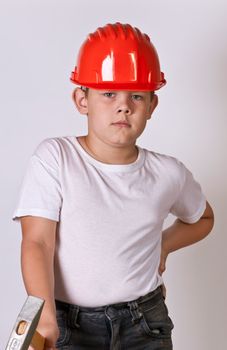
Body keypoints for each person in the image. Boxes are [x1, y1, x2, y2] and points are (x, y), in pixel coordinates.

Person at [12, 22, 214, 350]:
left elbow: (203, 218)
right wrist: (44, 314)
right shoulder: (56, 158)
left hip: (145, 323)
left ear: (152, 105)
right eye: (108, 93)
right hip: (68, 324)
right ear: (82, 99)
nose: (124, 105)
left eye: (136, 95)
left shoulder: (168, 173)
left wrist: (163, 244)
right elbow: (38, 243)